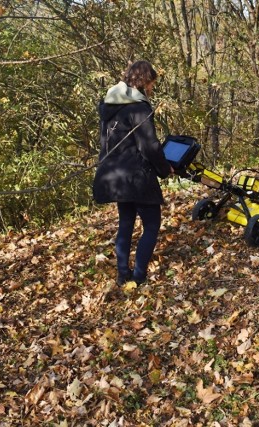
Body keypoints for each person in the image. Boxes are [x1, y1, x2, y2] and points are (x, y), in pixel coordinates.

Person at [92, 60, 173, 287]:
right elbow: (149, 147)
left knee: (126, 222)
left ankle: (121, 274)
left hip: (114, 175)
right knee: (152, 224)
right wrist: (165, 169)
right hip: (135, 176)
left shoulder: (109, 104)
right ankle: (138, 276)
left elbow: (106, 143)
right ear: (144, 80)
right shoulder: (138, 106)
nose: (151, 89)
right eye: (151, 84)